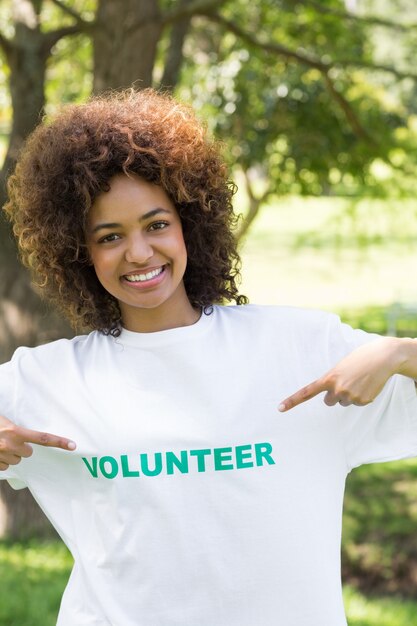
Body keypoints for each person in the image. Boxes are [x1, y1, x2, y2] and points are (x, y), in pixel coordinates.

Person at [0, 89, 417, 626]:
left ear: (190, 223)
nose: (140, 253)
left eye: (156, 225)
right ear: (78, 253)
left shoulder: (303, 347)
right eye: (110, 236)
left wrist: (400, 352)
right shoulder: (49, 379)